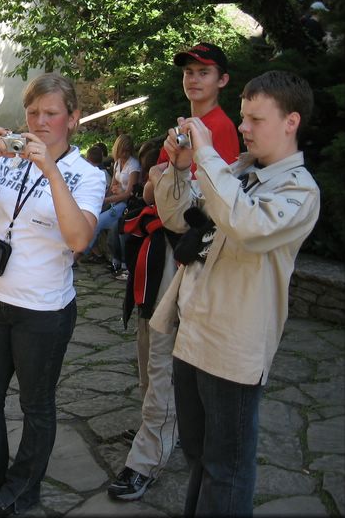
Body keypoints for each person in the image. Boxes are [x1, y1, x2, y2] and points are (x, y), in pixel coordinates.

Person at [148, 70, 319, 516]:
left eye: (255, 119)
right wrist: (180, 167)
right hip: (192, 335)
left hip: (233, 350)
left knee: (227, 469)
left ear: (291, 122)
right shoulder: (238, 170)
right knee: (199, 461)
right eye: (242, 117)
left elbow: (248, 226)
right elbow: (178, 219)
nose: (243, 128)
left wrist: (206, 155)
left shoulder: (301, 191)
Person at [0, 73, 106, 517]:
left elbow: (78, 240)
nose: (40, 120)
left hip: (45, 309)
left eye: (51, 113)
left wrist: (50, 170)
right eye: (33, 112)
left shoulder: (87, 175)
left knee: (36, 405)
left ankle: (23, 487)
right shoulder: (8, 162)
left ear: (73, 119)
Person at [109, 41, 240, 501]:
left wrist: (161, 189)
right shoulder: (187, 128)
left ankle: (146, 458)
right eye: (188, 70)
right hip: (157, 254)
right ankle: (156, 428)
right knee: (149, 349)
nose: (193, 78)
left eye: (204, 71)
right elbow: (150, 193)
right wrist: (160, 189)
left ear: (222, 80)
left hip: (181, 256)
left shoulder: (219, 131)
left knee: (162, 356)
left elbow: (188, 213)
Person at [82, 134, 140, 277]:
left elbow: (129, 193)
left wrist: (108, 199)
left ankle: (81, 251)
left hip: (127, 204)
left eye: (127, 151)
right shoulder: (117, 163)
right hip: (115, 200)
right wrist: (106, 197)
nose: (124, 154)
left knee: (99, 223)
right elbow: (113, 185)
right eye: (122, 151)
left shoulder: (134, 166)